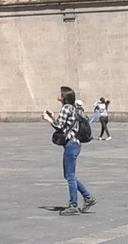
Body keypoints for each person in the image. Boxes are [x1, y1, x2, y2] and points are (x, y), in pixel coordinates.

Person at [42, 86, 96, 216]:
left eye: (60, 93)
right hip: (74, 144)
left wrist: (48, 119)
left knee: (70, 176)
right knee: (68, 175)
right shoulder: (72, 108)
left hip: (71, 144)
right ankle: (88, 198)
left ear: (64, 97)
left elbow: (59, 127)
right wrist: (54, 117)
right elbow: (64, 125)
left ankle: (73, 205)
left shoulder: (66, 108)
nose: (58, 94)